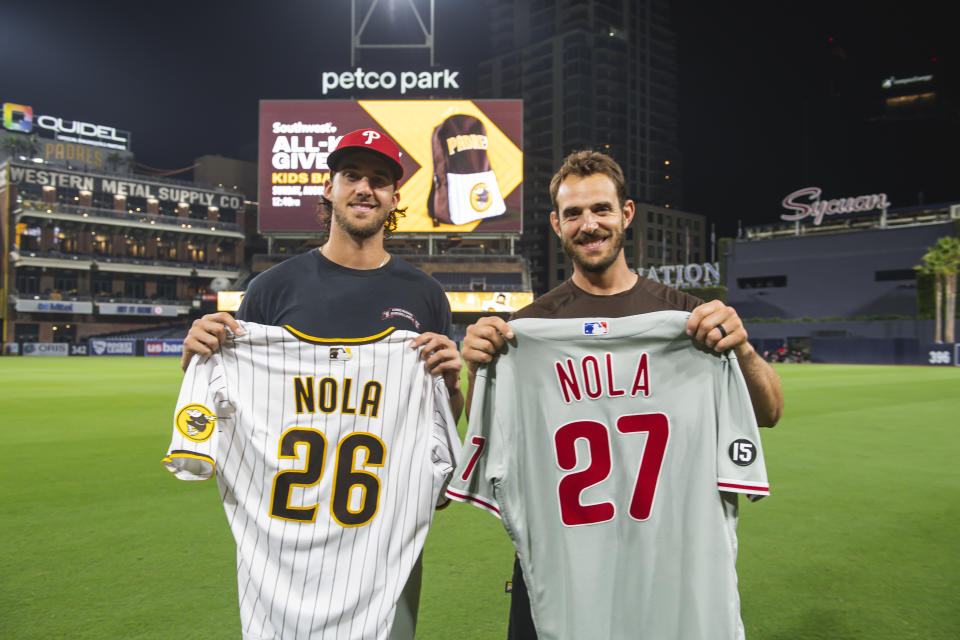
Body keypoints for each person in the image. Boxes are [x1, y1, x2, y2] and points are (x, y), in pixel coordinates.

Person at [459, 150, 783, 638]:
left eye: (601, 209)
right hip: (561, 567)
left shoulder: (689, 320)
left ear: (625, 213)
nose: (589, 225)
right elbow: (494, 442)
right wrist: (477, 369)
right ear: (556, 224)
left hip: (664, 562)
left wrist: (744, 353)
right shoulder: (524, 332)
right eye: (573, 214)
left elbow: (771, 412)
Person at [178, 128, 464, 639]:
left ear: (395, 199)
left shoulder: (425, 296)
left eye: (379, 180)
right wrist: (201, 359)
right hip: (287, 545)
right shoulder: (271, 288)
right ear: (328, 189)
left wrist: (452, 382)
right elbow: (235, 401)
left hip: (385, 541)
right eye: (351, 175)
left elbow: (440, 424)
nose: (364, 188)